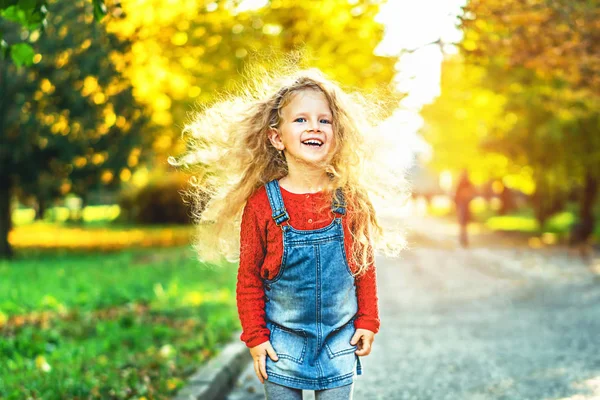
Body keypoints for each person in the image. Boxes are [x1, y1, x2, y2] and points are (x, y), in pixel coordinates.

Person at [171, 65, 409, 399]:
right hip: (281, 345)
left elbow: (363, 267)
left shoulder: (350, 200)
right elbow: (250, 278)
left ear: (338, 135)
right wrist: (255, 336)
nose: (314, 126)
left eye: (324, 120)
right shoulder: (262, 204)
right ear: (276, 137)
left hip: (339, 341)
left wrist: (368, 320)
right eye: (301, 120)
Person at [454, 169, 476, 248]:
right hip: (461, 205)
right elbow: (456, 196)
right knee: (462, 223)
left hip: (466, 205)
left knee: (465, 223)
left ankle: (464, 237)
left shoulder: (468, 183)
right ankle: (462, 237)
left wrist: (469, 198)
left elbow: (473, 193)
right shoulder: (460, 183)